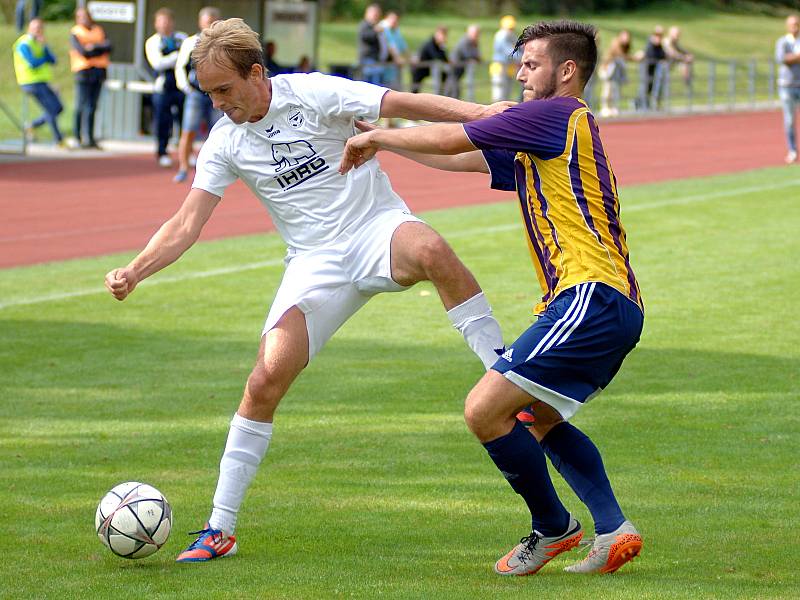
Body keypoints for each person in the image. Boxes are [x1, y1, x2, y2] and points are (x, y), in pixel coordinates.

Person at [104, 18, 510, 563]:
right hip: (314, 264)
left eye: (224, 90)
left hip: (376, 229)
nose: (218, 103)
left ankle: (504, 373)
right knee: (265, 379)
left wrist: (481, 113)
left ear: (256, 73)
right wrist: (135, 270)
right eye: (209, 94)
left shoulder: (314, 93)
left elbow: (401, 100)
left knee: (433, 249)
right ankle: (220, 527)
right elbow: (185, 224)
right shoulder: (224, 143)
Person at [341, 19, 644, 577]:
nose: (520, 73)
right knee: (534, 416)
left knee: (484, 410)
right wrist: (387, 140)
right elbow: (461, 157)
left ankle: (555, 529)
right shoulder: (544, 135)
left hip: (589, 295)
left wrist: (380, 134)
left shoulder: (558, 114)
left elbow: (461, 134)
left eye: (531, 64)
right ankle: (612, 528)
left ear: (567, 70)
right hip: (614, 305)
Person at [173, 6, 222, 183]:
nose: (210, 25)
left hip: (217, 94)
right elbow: (180, 66)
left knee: (218, 133)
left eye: (213, 22)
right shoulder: (190, 42)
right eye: (207, 21)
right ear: (200, 22)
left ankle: (215, 171)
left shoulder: (223, 42)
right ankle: (183, 168)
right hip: (195, 93)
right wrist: (186, 87)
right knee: (188, 131)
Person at [145, 7, 187, 168]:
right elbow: (158, 63)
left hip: (181, 85)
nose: (165, 25)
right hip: (163, 87)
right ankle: (162, 151)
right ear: (156, 24)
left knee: (185, 120)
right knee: (163, 120)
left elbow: (190, 57)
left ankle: (186, 152)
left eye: (167, 21)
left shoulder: (181, 38)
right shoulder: (153, 41)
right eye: (161, 22)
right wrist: (177, 57)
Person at [13, 17, 65, 146]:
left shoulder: (40, 43)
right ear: (29, 29)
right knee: (51, 109)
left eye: (40, 28)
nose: (38, 31)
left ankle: (31, 126)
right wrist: (44, 58)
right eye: (35, 28)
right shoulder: (24, 43)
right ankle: (59, 140)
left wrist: (45, 47)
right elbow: (33, 63)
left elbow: (53, 60)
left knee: (58, 108)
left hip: (42, 81)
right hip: (30, 82)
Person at [70, 7, 112, 149]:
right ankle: (77, 137)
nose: (83, 19)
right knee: (81, 106)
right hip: (84, 72)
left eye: (85, 16)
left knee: (92, 107)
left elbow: (108, 46)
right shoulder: (75, 32)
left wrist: (92, 47)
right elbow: (82, 52)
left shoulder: (99, 30)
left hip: (98, 72)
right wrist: (97, 49)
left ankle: (90, 138)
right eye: (80, 17)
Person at [775, 14, 800, 164]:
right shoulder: (782, 42)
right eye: (792, 24)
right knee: (789, 120)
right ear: (787, 26)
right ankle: (792, 150)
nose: (795, 27)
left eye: (797, 24)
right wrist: (797, 56)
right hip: (787, 86)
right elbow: (782, 59)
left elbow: (790, 58)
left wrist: (793, 57)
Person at [598, 29, 639, 117]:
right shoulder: (615, 42)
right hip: (607, 69)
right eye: (624, 36)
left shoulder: (626, 46)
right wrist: (635, 58)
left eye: (627, 37)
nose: (626, 38)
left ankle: (613, 108)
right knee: (607, 89)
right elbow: (620, 55)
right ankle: (604, 108)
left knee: (615, 90)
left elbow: (624, 57)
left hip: (616, 71)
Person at [447, 24, 482, 99]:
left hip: (459, 69)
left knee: (454, 90)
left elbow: (477, 56)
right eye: (474, 34)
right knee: (453, 90)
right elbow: (468, 55)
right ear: (469, 33)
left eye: (477, 34)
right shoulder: (465, 41)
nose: (476, 36)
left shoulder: (474, 42)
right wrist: (476, 58)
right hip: (454, 68)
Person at [411, 26, 449, 94]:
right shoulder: (430, 43)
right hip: (418, 68)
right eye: (442, 35)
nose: (443, 37)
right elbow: (435, 56)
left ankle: (441, 94)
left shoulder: (439, 45)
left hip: (426, 68)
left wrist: (442, 46)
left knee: (444, 74)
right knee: (415, 90)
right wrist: (441, 46)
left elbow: (443, 57)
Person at [636, 25, 666, 110]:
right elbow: (651, 55)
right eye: (657, 35)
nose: (659, 38)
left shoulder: (659, 46)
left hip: (653, 71)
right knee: (644, 87)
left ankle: (647, 105)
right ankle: (638, 104)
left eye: (660, 36)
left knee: (650, 87)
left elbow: (663, 55)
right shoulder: (650, 44)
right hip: (647, 69)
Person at [357, 3, 388, 86]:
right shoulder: (364, 25)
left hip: (376, 60)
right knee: (370, 86)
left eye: (377, 14)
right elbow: (365, 36)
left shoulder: (375, 26)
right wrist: (376, 31)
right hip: (368, 60)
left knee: (377, 85)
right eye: (374, 14)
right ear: (367, 13)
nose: (376, 16)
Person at [490, 15, 518, 101]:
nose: (511, 30)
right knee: (498, 94)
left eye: (512, 28)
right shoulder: (500, 36)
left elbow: (518, 47)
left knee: (507, 93)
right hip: (499, 66)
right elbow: (508, 51)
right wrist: (522, 57)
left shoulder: (512, 36)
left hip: (509, 67)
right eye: (509, 28)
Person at [379, 11, 409, 90]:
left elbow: (403, 46)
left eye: (396, 20)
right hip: (386, 63)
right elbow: (390, 45)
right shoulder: (383, 29)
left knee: (397, 87)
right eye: (392, 19)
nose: (394, 21)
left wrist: (410, 58)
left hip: (395, 65)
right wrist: (397, 58)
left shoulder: (396, 30)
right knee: (387, 87)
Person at [663, 26, 693, 90]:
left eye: (679, 34)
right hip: (663, 63)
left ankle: (687, 82)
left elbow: (680, 49)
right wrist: (684, 57)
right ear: (671, 33)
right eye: (677, 34)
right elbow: (672, 53)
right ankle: (687, 82)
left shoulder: (674, 42)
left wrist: (688, 54)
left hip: (672, 62)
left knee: (685, 64)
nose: (678, 36)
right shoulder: (667, 41)